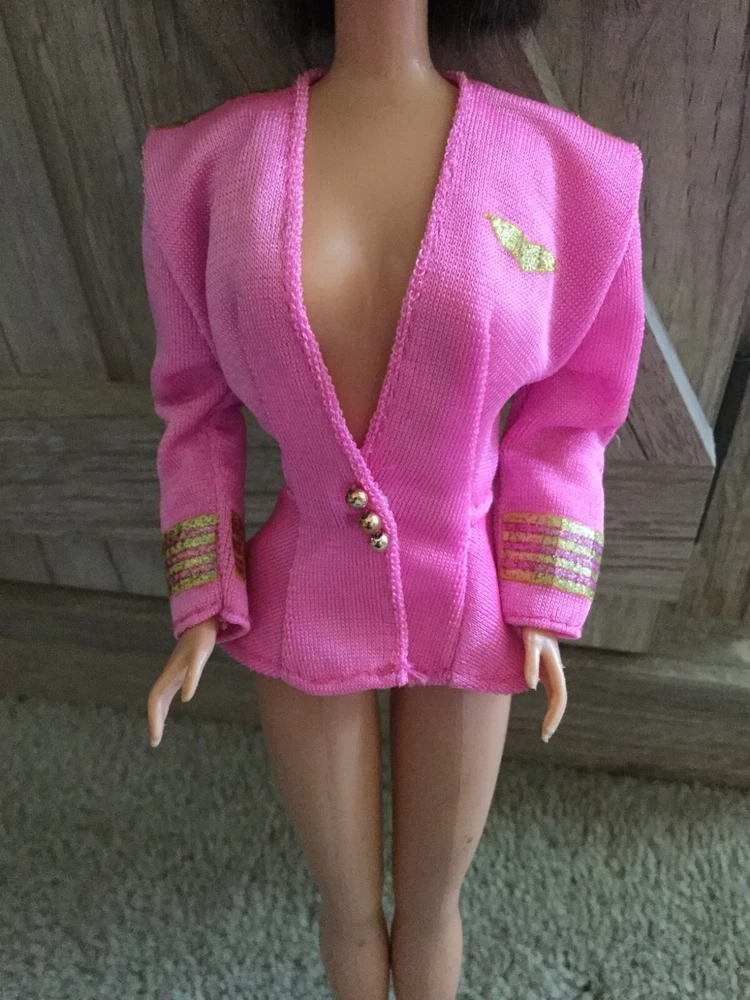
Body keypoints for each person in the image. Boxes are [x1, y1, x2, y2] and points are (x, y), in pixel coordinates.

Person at [141, 2, 645, 997]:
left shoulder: (566, 170)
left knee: (432, 905)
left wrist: (541, 595)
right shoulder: (206, 169)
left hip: (470, 594)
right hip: (304, 590)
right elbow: (193, 408)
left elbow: (574, 412)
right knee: (346, 905)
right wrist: (203, 596)